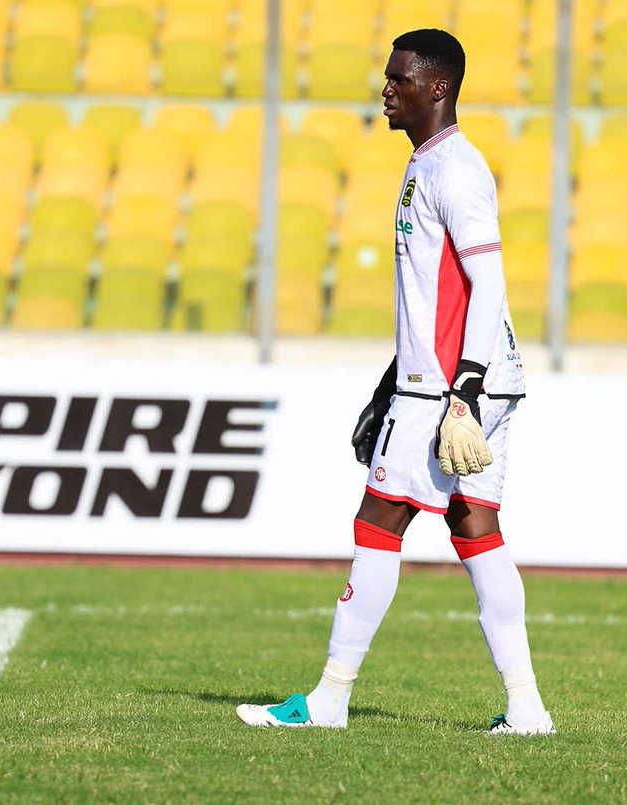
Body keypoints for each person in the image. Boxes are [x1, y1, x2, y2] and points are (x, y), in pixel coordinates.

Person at [237, 29, 554, 736]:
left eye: (400, 79)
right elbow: (434, 294)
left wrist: (459, 395)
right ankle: (528, 707)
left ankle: (329, 699)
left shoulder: (456, 171)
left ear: (437, 88)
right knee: (477, 530)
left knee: (378, 521)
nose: (387, 89)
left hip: (449, 389)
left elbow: (487, 282)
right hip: (454, 381)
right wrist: (399, 377)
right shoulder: (428, 163)